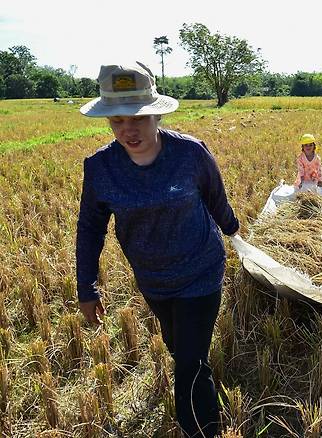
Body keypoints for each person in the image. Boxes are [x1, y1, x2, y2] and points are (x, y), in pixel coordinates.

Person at [76, 62, 239, 437]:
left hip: (201, 271)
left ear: (156, 113)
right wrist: (86, 287)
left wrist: (234, 232)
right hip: (153, 280)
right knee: (177, 346)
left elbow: (216, 198)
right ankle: (202, 385)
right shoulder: (100, 167)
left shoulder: (190, 154)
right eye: (116, 121)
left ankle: (201, 429)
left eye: (137, 118)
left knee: (189, 363)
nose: (127, 130)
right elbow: (90, 228)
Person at [293, 133, 322, 201]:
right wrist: (301, 181)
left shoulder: (317, 158)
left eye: (310, 145)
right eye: (306, 145)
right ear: (303, 147)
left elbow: (319, 170)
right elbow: (301, 171)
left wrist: (320, 180)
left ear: (314, 146)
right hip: (303, 178)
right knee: (299, 192)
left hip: (313, 177)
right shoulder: (300, 158)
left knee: (320, 191)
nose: (308, 147)